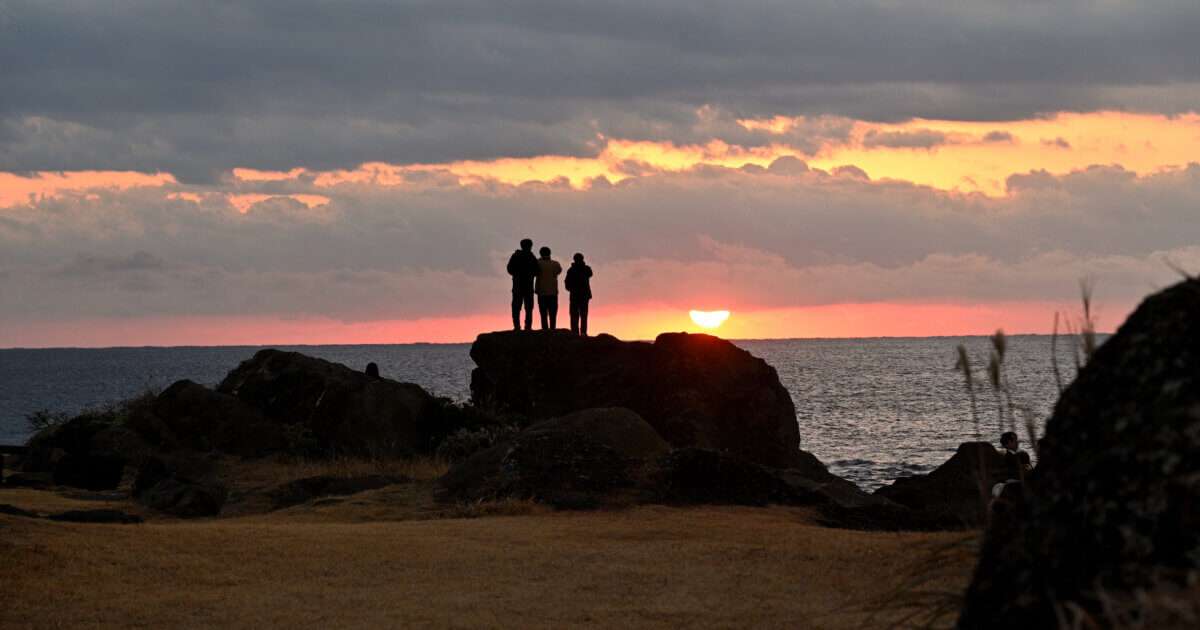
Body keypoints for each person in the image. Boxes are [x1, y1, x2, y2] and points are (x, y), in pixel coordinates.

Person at [506, 239, 539, 331]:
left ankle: (517, 327)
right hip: (528, 286)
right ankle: (527, 327)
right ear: (530, 246)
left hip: (517, 285)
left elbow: (509, 269)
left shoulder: (516, 256)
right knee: (529, 307)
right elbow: (537, 271)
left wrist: (516, 275)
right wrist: (530, 274)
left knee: (516, 307)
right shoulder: (532, 257)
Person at [564, 252, 593, 336]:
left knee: (574, 314)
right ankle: (583, 332)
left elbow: (566, 282)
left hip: (574, 295)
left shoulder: (571, 270)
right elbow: (590, 274)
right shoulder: (586, 269)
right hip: (584, 295)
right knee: (583, 314)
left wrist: (570, 289)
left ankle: (575, 332)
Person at [535, 246, 562, 330]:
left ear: (540, 253)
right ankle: (553, 329)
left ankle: (545, 330)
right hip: (553, 292)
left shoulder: (537, 263)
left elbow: (534, 272)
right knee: (553, 313)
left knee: (543, 314)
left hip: (541, 292)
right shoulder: (555, 264)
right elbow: (559, 271)